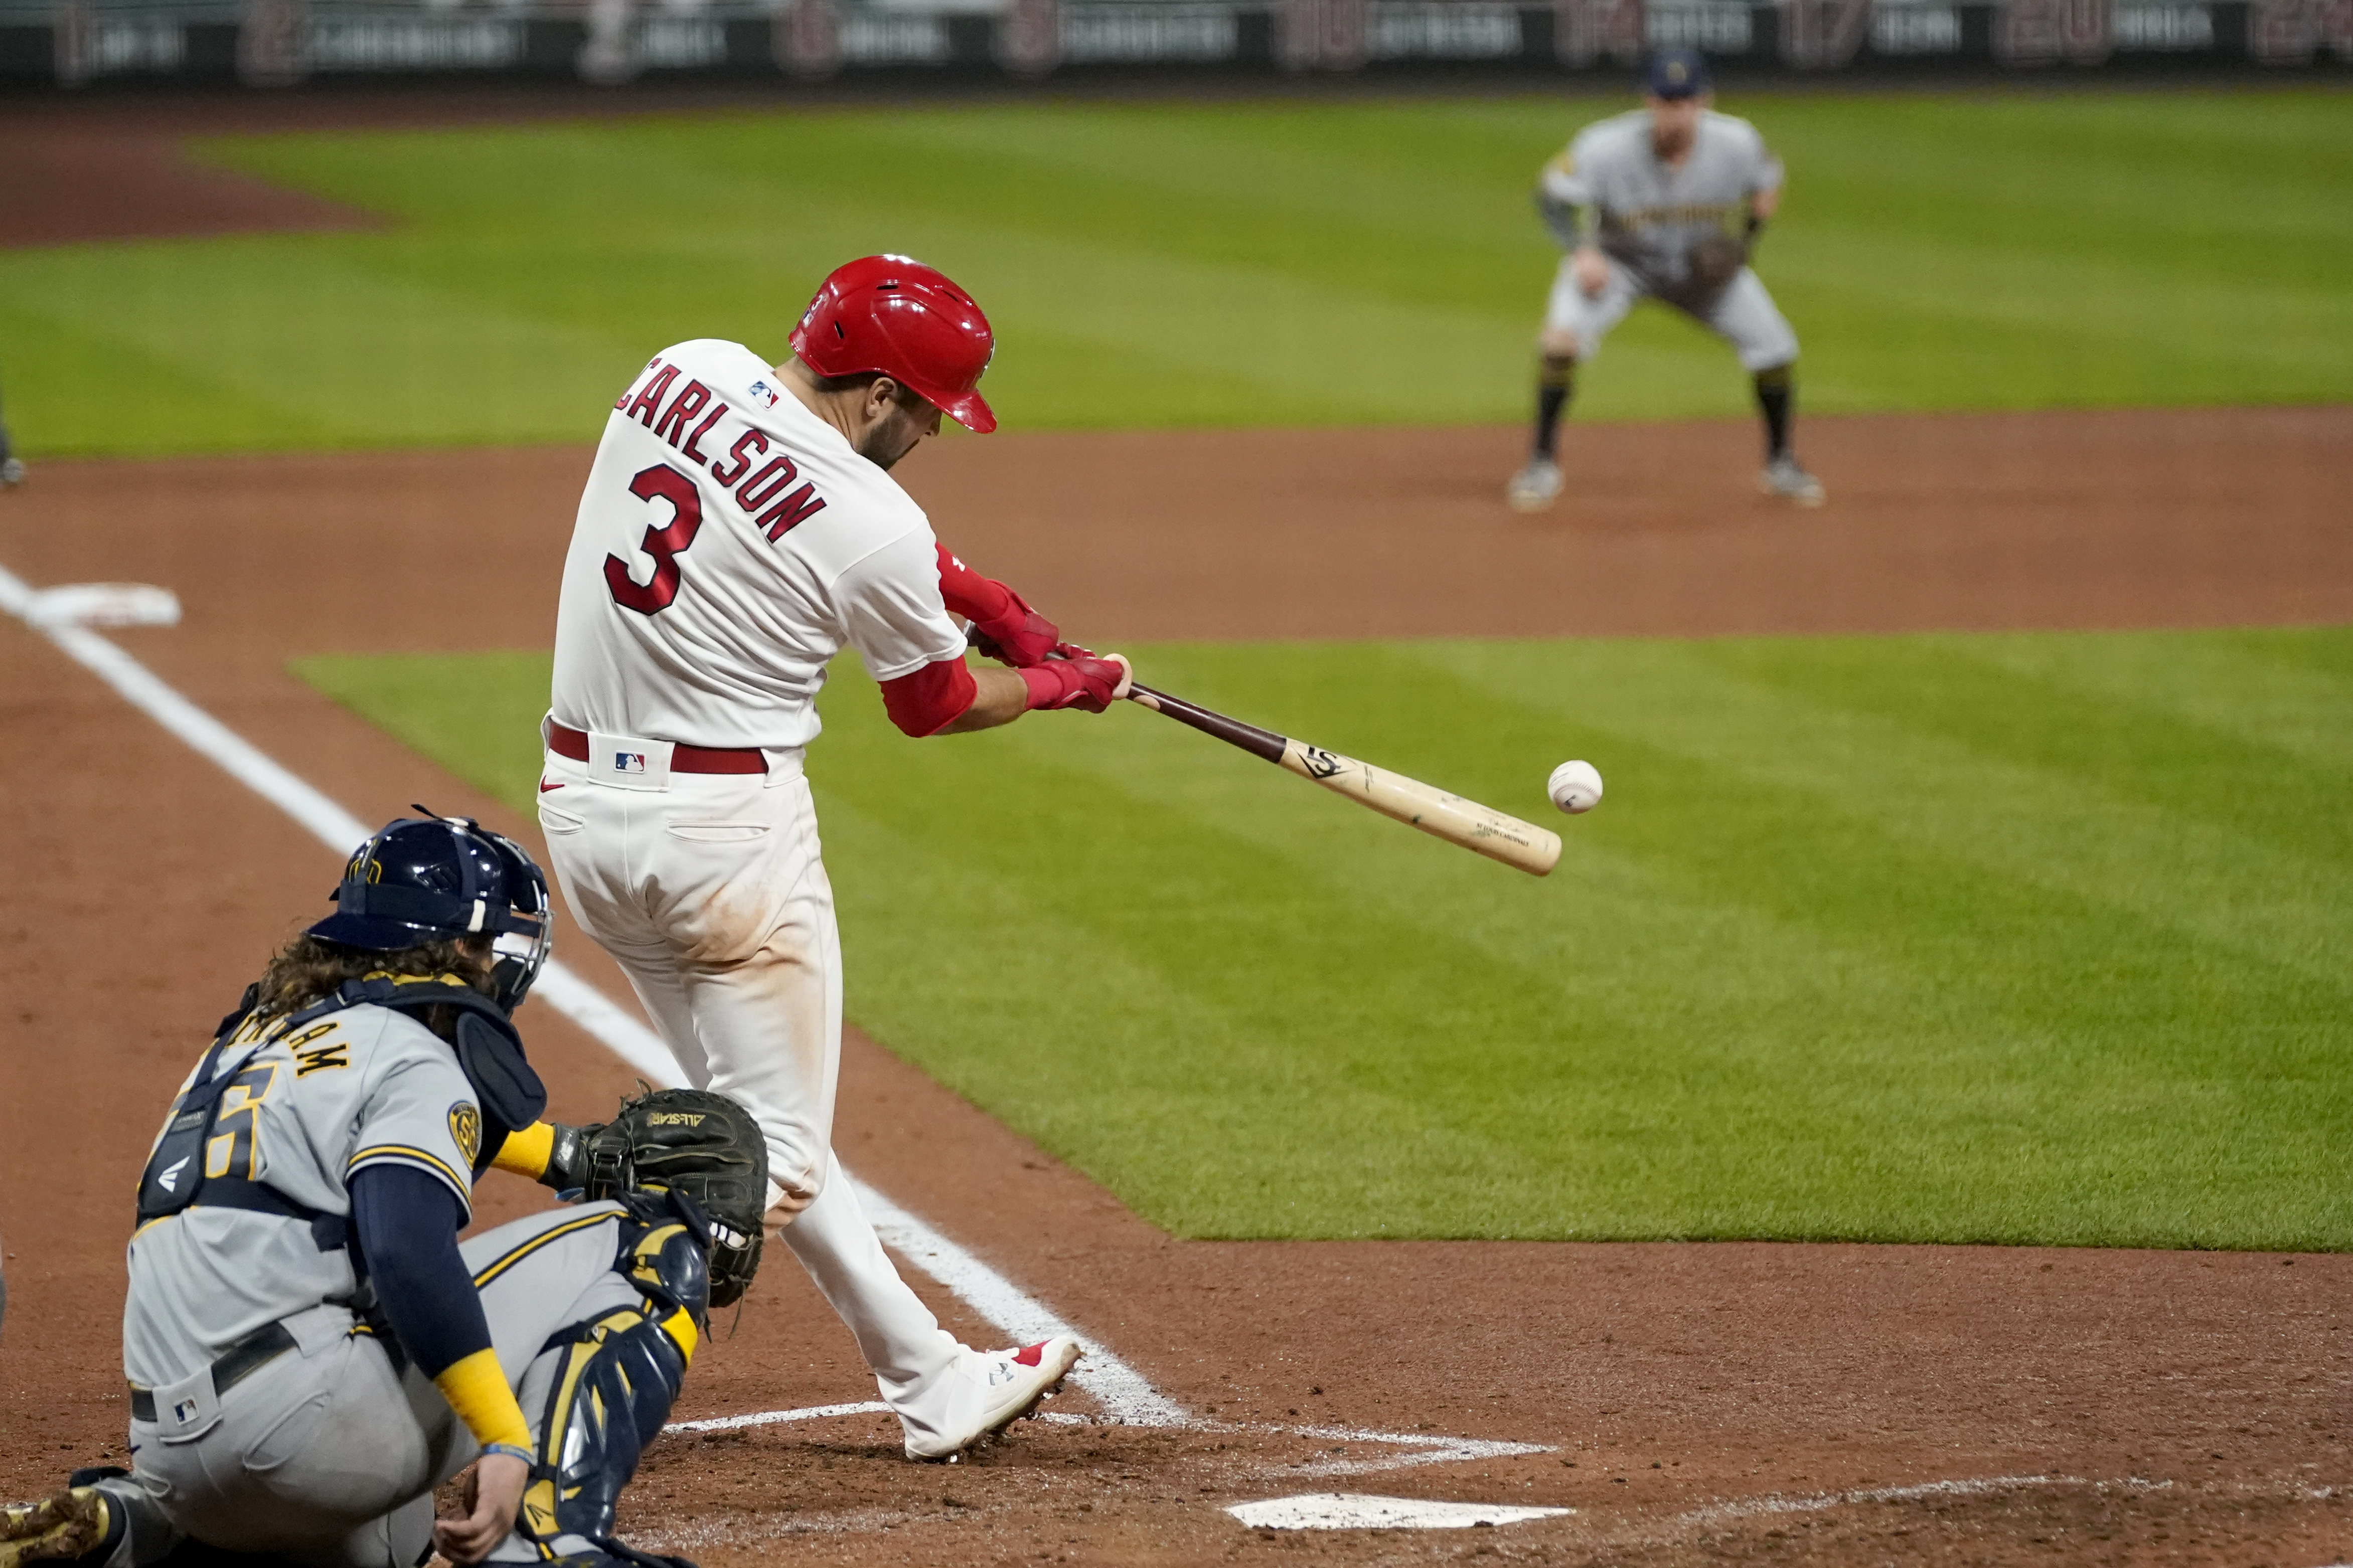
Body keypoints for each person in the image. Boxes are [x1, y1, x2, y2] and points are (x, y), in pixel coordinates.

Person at [538, 254, 1125, 1462]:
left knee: (749, 1119)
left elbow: (800, 497)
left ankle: (933, 1380)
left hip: (585, 821)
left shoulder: (682, 367)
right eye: (930, 413)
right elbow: (936, 703)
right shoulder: (880, 525)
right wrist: (1058, 682)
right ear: (886, 396)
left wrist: (983, 589)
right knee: (774, 1158)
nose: (928, 435)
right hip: (726, 850)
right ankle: (502, 1350)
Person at [0, 813, 756, 1568]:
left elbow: (415, 1129)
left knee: (395, 1533)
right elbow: (407, 1252)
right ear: (460, 945)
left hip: (174, 1461)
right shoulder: (412, 1053)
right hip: (299, 1430)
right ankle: (550, 1540)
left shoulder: (254, 1042)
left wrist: (563, 1154)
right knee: (646, 1236)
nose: (501, 964)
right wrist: (500, 1435)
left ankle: (141, 1530)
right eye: (494, 944)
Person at [1508, 48, 1824, 512]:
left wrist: (1745, 244)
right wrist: (1581, 252)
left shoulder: (1736, 142)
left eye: (1684, 101)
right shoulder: (1602, 146)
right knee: (1559, 343)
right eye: (1665, 101)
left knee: (1776, 349)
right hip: (1620, 267)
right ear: (1648, 101)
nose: (1674, 113)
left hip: (1702, 273)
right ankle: (1540, 463)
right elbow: (1551, 197)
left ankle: (1780, 463)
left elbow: (1767, 183)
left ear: (1704, 102)